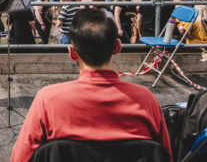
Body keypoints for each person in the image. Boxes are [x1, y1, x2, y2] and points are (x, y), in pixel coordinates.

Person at [11, 9, 172, 162]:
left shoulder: (48, 100)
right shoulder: (145, 100)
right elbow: (165, 156)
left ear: (72, 52)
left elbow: (20, 158)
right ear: (117, 47)